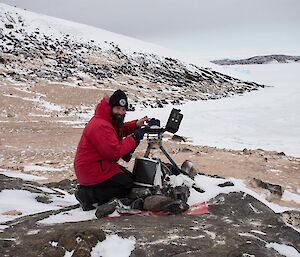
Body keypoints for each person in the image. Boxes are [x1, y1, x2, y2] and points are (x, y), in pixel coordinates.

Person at [74, 89, 148, 211]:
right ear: (110, 108)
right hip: (91, 170)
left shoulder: (107, 120)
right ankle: (87, 196)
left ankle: (91, 192)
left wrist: (136, 125)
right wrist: (134, 138)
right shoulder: (100, 125)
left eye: (123, 110)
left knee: (130, 178)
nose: (121, 112)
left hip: (97, 166)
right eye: (118, 108)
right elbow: (114, 153)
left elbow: (117, 131)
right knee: (126, 184)